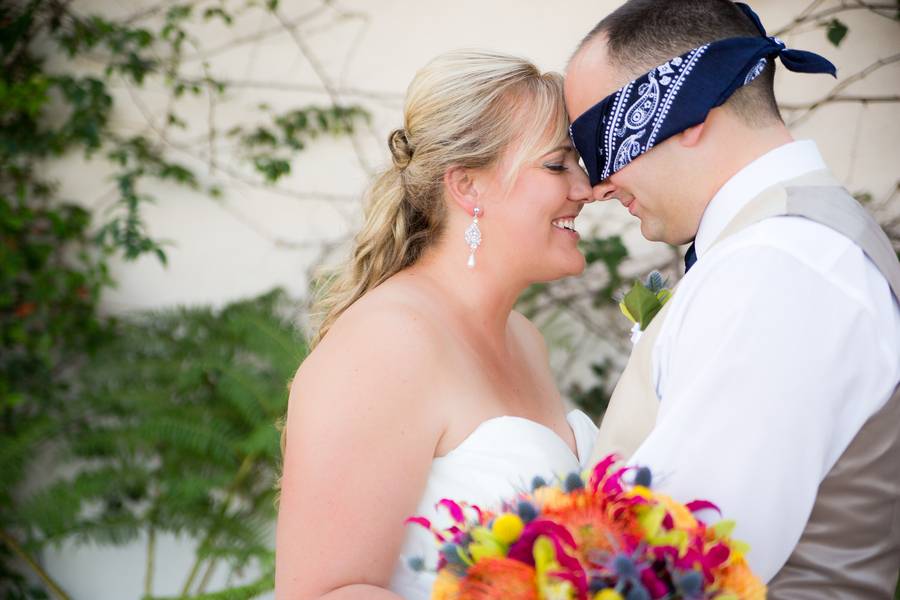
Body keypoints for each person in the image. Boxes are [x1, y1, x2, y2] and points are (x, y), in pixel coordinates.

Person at [564, 0, 900, 596]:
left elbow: (675, 559)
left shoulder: (778, 267)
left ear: (692, 113)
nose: (597, 184)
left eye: (603, 139)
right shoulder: (784, 246)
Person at [275, 50, 598, 600]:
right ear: (467, 187)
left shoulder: (524, 339)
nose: (585, 189)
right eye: (557, 164)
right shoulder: (386, 344)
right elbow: (322, 592)